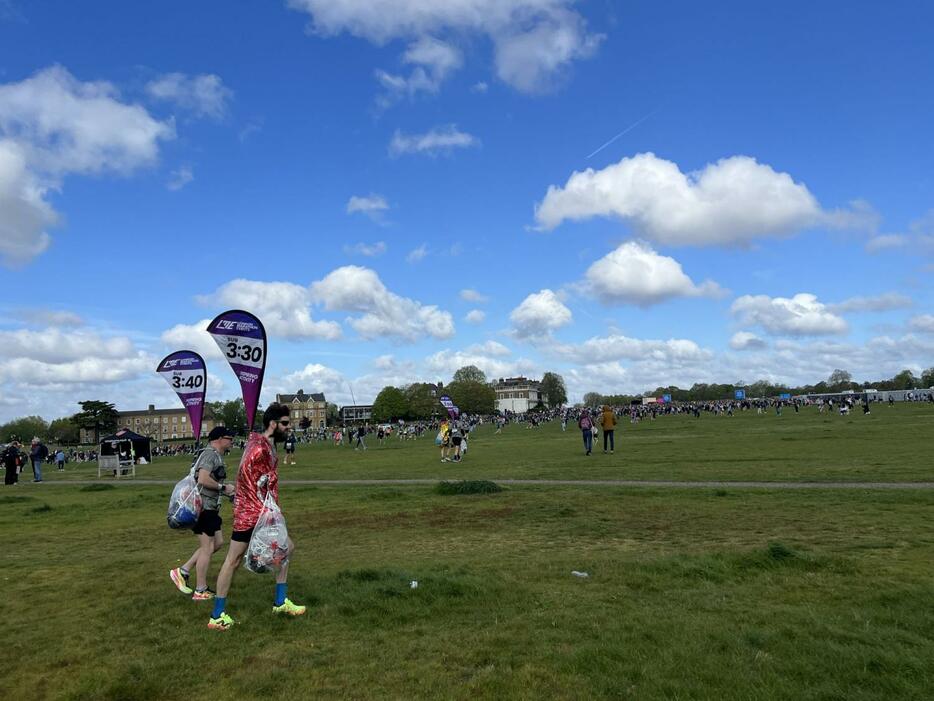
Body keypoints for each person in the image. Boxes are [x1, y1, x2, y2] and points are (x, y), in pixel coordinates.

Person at [208, 404, 304, 630]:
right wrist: (262, 511)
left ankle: (280, 601)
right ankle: (217, 615)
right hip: (253, 515)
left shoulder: (266, 445)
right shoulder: (258, 448)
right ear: (273, 424)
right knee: (233, 560)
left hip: (262, 512)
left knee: (286, 548)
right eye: (285, 423)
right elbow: (245, 479)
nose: (288, 427)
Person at [169, 426, 236, 601]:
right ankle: (200, 590)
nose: (232, 441)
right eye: (230, 438)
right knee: (207, 548)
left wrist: (227, 492)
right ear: (219, 439)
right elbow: (203, 479)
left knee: (218, 543)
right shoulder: (210, 454)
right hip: (203, 508)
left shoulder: (216, 455)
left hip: (211, 507)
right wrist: (223, 487)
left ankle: (182, 571)